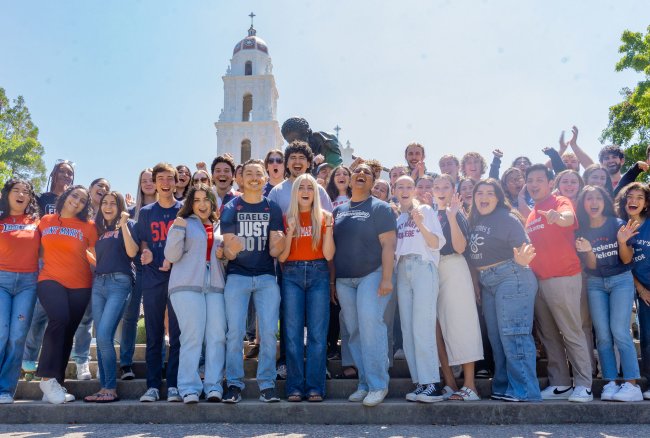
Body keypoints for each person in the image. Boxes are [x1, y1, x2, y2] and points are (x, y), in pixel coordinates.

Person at [524, 164, 593, 403]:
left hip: (563, 277)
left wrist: (557, 217)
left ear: (550, 183)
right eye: (530, 180)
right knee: (549, 336)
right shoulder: (532, 213)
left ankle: (584, 384)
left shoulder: (559, 201)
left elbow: (568, 218)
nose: (534, 184)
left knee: (572, 332)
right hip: (540, 282)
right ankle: (561, 383)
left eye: (539, 180)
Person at [467, 179, 541, 402]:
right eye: (479, 193)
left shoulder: (507, 218)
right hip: (488, 282)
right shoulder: (475, 219)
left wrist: (523, 257)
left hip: (512, 276)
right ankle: (503, 386)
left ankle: (526, 390)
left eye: (490, 193)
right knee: (497, 337)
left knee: (514, 334)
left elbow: (526, 248)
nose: (484, 197)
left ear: (498, 197)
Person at [221, 159, 285, 404]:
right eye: (249, 173)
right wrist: (230, 249)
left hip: (267, 277)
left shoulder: (273, 208)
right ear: (241, 178)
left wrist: (280, 241)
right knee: (234, 333)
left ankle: (267, 384)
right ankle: (234, 384)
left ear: (265, 177)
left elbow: (274, 252)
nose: (254, 178)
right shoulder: (231, 207)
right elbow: (228, 252)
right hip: (237, 276)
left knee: (269, 332)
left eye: (259, 174)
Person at [333, 163, 396, 407]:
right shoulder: (339, 211)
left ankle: (379, 384)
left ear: (372, 181)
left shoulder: (381, 208)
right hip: (344, 280)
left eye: (367, 173)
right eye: (356, 172)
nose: (361, 174)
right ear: (349, 181)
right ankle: (364, 382)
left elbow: (389, 245)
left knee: (371, 326)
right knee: (355, 330)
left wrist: (387, 278)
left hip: (372, 274)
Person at [575, 185, 643, 402]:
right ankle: (610, 383)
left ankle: (632, 385)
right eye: (588, 199)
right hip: (595, 283)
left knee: (620, 331)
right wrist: (588, 252)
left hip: (621, 281)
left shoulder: (618, 224)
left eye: (598, 198)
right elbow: (592, 266)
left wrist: (622, 242)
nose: (593, 203)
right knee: (603, 335)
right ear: (583, 204)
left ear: (604, 201)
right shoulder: (582, 230)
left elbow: (626, 259)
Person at [165, 184, 227, 404]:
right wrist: (178, 229)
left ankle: (213, 386)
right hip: (186, 287)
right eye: (197, 200)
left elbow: (225, 259)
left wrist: (224, 254)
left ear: (212, 202)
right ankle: (189, 387)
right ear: (191, 203)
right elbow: (171, 255)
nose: (202, 204)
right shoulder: (182, 223)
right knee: (192, 337)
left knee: (217, 337)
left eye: (206, 199)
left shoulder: (221, 225)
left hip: (216, 288)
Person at [36, 185, 98, 404]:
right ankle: (46, 377)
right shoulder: (45, 221)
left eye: (83, 200)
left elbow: (95, 254)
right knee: (59, 319)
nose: (77, 202)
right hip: (50, 279)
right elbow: (40, 251)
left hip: (81, 285)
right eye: (74, 196)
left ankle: (56, 384)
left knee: (67, 332)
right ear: (65, 196)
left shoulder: (89, 226)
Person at [277, 174, 335, 402]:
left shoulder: (325, 217)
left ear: (315, 192)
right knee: (291, 334)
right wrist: (290, 232)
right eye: (301, 187)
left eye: (310, 187)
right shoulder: (286, 217)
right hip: (291, 274)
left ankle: (314, 387)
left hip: (319, 272)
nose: (305, 191)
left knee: (317, 335)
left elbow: (329, 254)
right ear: (295, 192)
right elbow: (282, 256)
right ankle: (294, 387)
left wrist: (328, 228)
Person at [393, 175, 446, 403]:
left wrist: (420, 222)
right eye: (400, 186)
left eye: (408, 186)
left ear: (414, 190)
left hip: (423, 267)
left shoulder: (425, 209)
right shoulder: (397, 219)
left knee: (422, 326)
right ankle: (420, 383)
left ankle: (432, 382)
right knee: (407, 329)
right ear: (394, 190)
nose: (404, 190)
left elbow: (435, 243)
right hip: (403, 270)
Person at [134, 163, 183, 403]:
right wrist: (147, 253)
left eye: (169, 178)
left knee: (176, 334)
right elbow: (144, 241)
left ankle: (173, 384)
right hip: (153, 278)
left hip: (179, 278)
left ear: (176, 182)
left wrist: (174, 260)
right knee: (154, 333)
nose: (165, 182)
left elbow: (190, 243)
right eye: (160, 178)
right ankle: (152, 386)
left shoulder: (184, 210)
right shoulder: (146, 212)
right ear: (154, 182)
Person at [431, 174, 483, 401]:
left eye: (446, 187)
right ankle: (450, 383)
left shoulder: (457, 214)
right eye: (437, 187)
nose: (441, 190)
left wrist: (452, 217)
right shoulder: (428, 214)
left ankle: (470, 385)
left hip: (454, 266)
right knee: (436, 327)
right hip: (432, 270)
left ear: (454, 190)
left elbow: (461, 247)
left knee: (462, 324)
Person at [83, 192, 138, 403]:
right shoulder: (98, 230)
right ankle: (104, 387)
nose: (107, 207)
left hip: (119, 282)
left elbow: (132, 252)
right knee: (102, 338)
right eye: (104, 203)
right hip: (99, 283)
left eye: (112, 204)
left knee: (105, 334)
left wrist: (123, 224)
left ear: (120, 206)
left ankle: (110, 388)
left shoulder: (128, 225)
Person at [0, 179, 40, 404]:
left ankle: (5, 389)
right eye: (16, 190)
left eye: (26, 192)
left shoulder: (37, 222)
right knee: (1, 334)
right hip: (1, 281)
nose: (21, 194)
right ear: (6, 195)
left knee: (17, 337)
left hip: (28, 283)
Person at [119, 168, 156, 380]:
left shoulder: (165, 208)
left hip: (157, 269)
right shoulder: (131, 212)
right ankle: (126, 363)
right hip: (134, 269)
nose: (148, 183)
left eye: (152, 179)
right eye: (144, 180)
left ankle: (156, 362)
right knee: (130, 317)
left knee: (155, 318)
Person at [73, 177, 111, 381]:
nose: (103, 189)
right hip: (81, 272)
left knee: (105, 321)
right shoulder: (80, 214)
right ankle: (81, 361)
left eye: (106, 187)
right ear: (90, 189)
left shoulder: (109, 215)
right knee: (85, 320)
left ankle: (105, 364)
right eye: (100, 186)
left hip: (105, 274)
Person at [616, 182, 650, 400]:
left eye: (639, 197)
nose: (634, 201)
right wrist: (641, 289)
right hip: (642, 288)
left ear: (646, 203)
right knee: (647, 337)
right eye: (630, 196)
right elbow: (625, 262)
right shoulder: (620, 226)